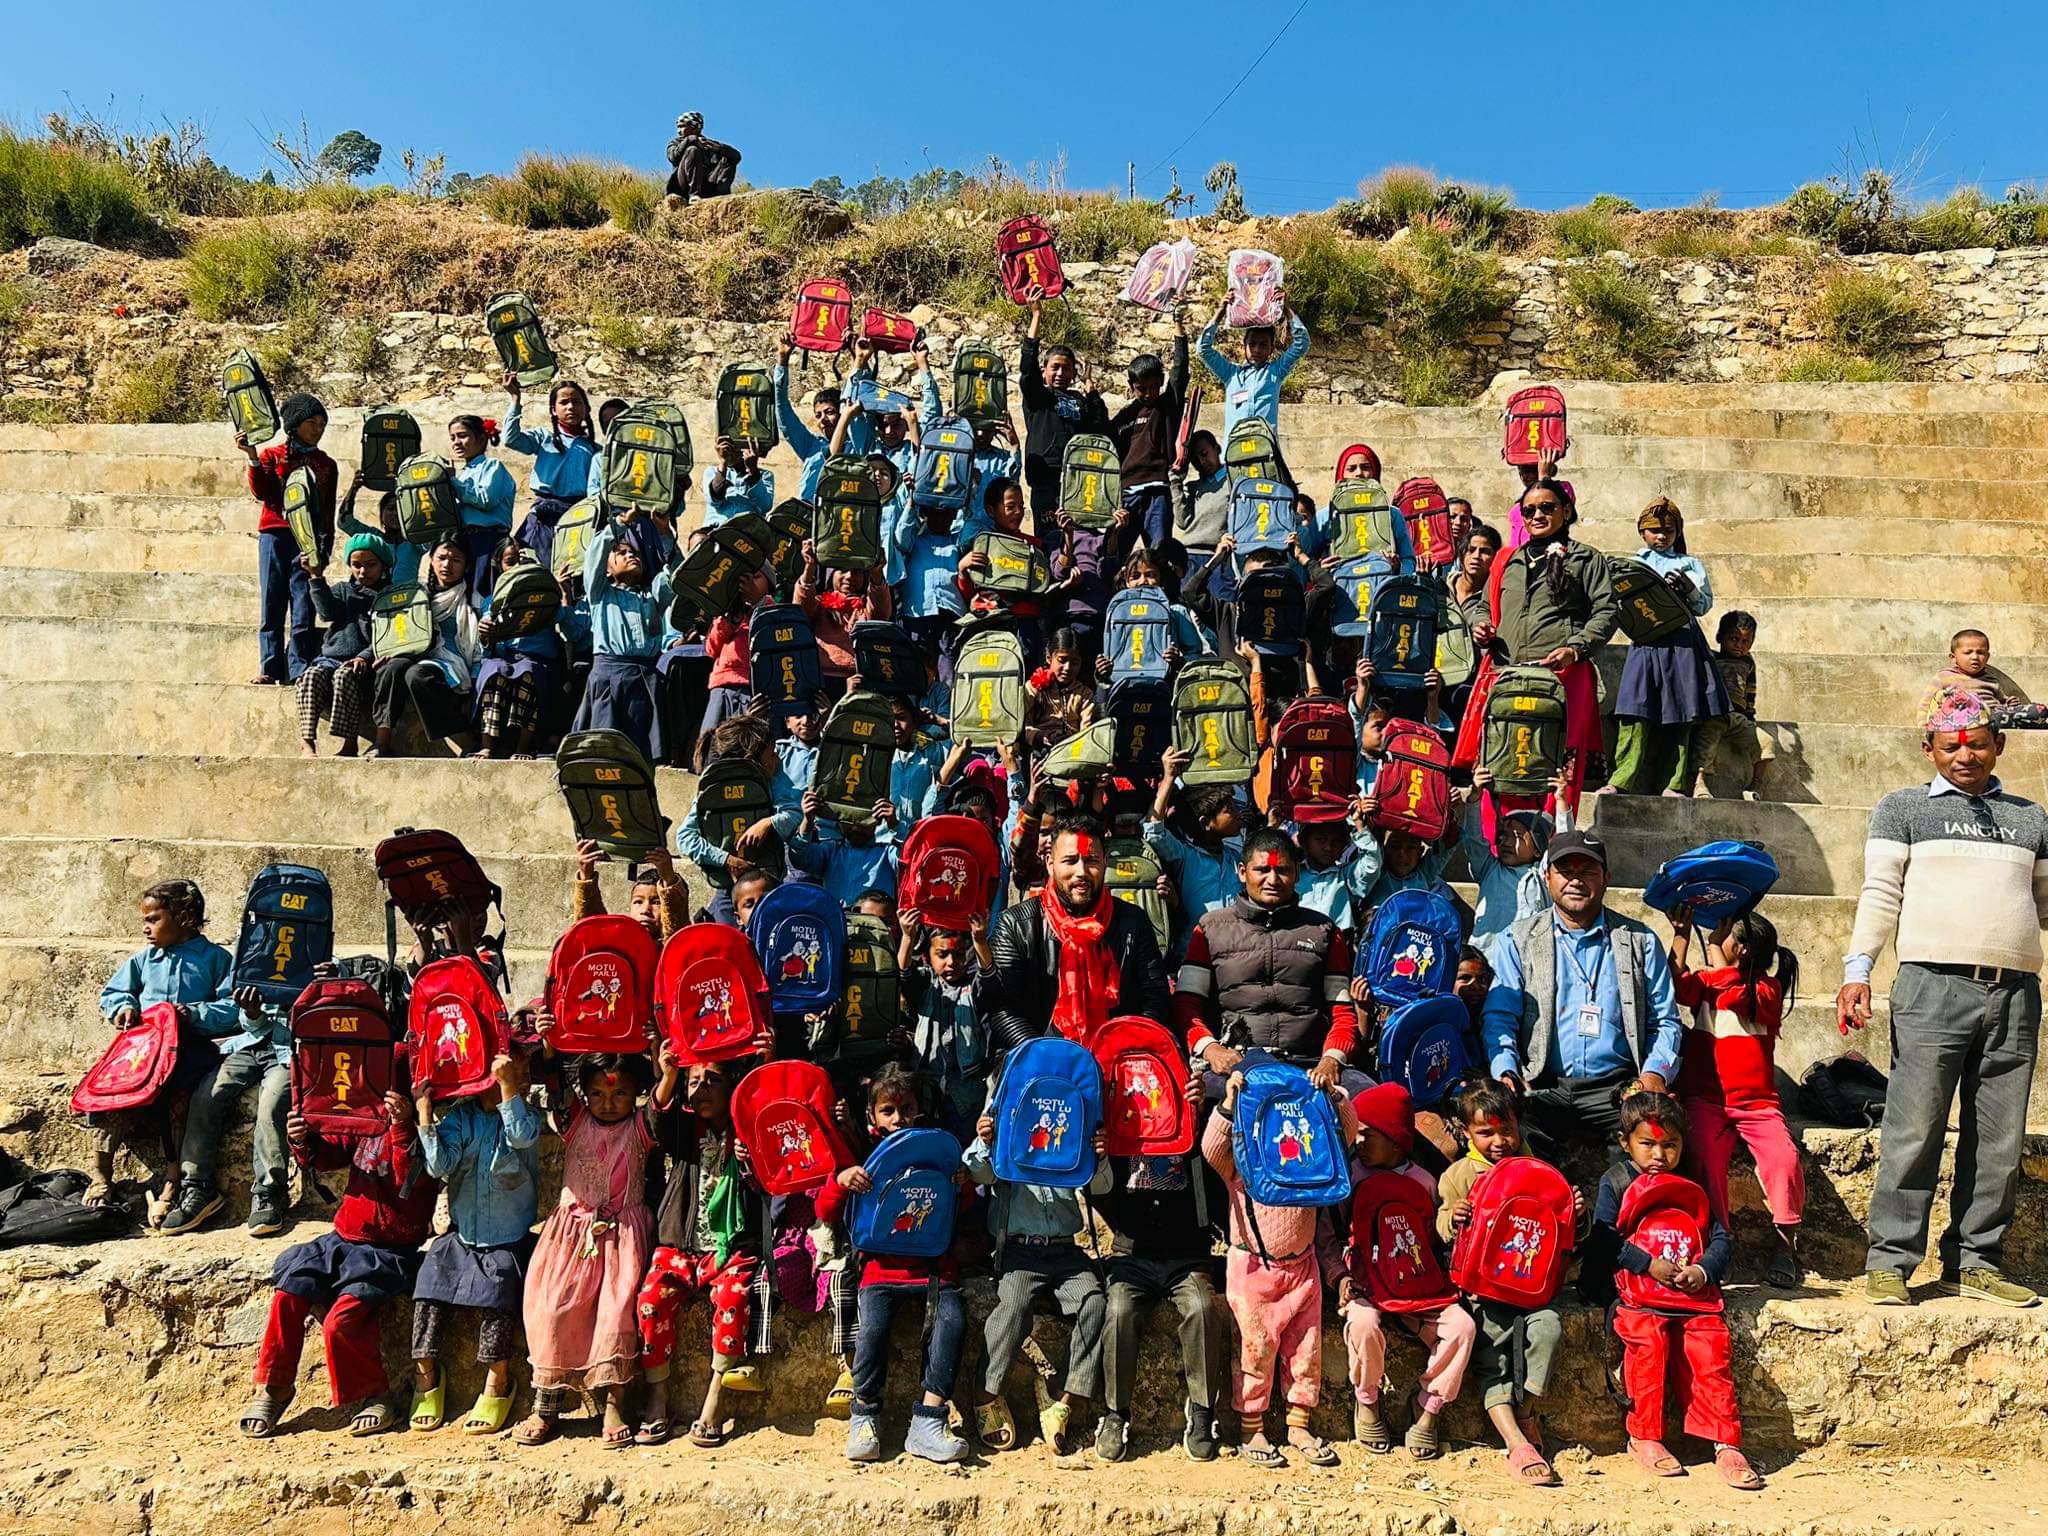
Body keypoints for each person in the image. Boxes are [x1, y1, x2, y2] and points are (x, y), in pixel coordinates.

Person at [1840, 688, 2048, 1308]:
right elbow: (1880, 893)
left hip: (2014, 994)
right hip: (1933, 986)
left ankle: (1976, 1261)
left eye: (1978, 743)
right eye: (1951, 745)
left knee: (2001, 1138)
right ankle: (1891, 1262)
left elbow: (2045, 901)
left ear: (1999, 746)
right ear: (1929, 749)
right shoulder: (1902, 809)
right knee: (1915, 1127)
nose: (1965, 755)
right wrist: (1858, 970)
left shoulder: (2031, 816)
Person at [238, 1087, 438, 1438]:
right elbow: (329, 1154)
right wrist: (304, 1139)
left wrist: (403, 1123)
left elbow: (411, 1176)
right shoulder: (365, 1116)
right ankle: (273, 1386)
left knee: (340, 1321)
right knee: (288, 1294)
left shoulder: (425, 1129)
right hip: (342, 1240)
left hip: (390, 1251)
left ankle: (373, 1395)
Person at [1589, 1091, 1762, 1490]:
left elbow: (1720, 1238)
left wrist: (1703, 1270)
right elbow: (1602, 1240)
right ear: (1624, 1143)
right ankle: (1645, 1436)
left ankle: (1725, 1441)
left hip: (1691, 1297)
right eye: (1647, 1144)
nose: (1659, 1155)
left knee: (1710, 1351)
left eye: (1671, 1145)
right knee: (1648, 1347)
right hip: (1636, 1295)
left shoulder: (1691, 1184)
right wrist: (1647, 1263)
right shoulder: (1615, 1182)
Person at [1482, 829, 1682, 1151]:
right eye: (1565, 871)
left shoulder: (1640, 941)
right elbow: (1500, 1015)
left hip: (1618, 1087)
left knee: (1651, 1150)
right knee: (1513, 1151)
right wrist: (1506, 1069)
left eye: (1587, 871)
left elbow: (1664, 1020)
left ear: (1606, 878)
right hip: (1541, 1084)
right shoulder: (1516, 940)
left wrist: (1655, 1073)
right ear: (1547, 877)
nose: (1576, 880)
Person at [814, 1063, 972, 1464]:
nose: (898, 1118)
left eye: (906, 1108)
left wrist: (961, 1183)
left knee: (951, 1322)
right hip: (880, 1269)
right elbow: (825, 1209)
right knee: (873, 1330)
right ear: (872, 1115)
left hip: (934, 1269)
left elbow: (962, 1209)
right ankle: (864, 1415)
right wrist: (841, 1180)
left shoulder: (939, 1151)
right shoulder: (860, 1154)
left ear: (919, 1109)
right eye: (888, 1110)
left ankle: (929, 1421)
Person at [1206, 1066, 1356, 1469]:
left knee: (1305, 1350)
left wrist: (1332, 1097)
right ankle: (1251, 1427)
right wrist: (1227, 1105)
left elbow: (1345, 1135)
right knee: (1253, 1351)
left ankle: (1299, 1424)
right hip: (1253, 1268)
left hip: (1302, 1266)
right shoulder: (1242, 1163)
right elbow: (1211, 1149)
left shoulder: (1307, 1161)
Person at [1435, 1079, 1577, 1485]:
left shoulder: (1541, 1170)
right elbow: (1442, 1226)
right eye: (1486, 1132)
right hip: (1483, 1289)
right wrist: (1454, 1218)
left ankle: (1526, 1411)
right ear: (1465, 1133)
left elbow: (1564, 1234)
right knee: (1491, 1358)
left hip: (1532, 1287)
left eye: (1507, 1130)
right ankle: (1515, 1441)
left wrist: (1575, 1213)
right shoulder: (1459, 1175)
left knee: (1548, 1330)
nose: (1499, 1141)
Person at [517, 1052, 658, 1447]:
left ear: (636, 1095)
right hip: (570, 1237)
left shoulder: (641, 1127)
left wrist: (664, 1061)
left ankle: (613, 1405)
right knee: (552, 1309)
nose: (607, 1102)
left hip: (621, 1238)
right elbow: (558, 1088)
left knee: (616, 1316)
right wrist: (547, 1047)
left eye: (619, 1094)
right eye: (596, 1093)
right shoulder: (574, 1120)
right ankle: (546, 1405)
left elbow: (662, 1102)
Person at [1326, 1083, 1475, 1458]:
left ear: (1395, 1139)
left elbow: (1430, 1240)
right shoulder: (1348, 1179)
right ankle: (1368, 1399)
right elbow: (1327, 1237)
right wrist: (1339, 1277)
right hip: (1364, 1281)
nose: (1357, 1141)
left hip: (1419, 1285)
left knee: (1462, 1327)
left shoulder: (1425, 1183)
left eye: (1367, 1134)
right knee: (1362, 1324)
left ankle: (1428, 1406)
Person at [83, 880, 240, 1217]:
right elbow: (114, 992)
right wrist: (124, 1007)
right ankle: (100, 1172)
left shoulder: (215, 959)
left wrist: (197, 1014)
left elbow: (232, 1008)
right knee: (109, 1091)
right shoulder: (144, 961)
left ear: (184, 917)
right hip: (143, 1047)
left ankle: (173, 1177)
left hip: (189, 1045)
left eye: (154, 919)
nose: (146, 928)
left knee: (180, 1094)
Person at [1456, 479, 1616, 807]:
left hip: (1563, 679)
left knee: (1556, 771)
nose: (1537, 515)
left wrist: (1576, 648)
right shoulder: (1506, 562)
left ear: (1566, 511)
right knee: (1503, 761)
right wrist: (1480, 625)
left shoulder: (1587, 560)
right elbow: (1482, 605)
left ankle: (1553, 845)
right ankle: (1502, 849)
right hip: (1508, 677)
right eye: (1529, 510)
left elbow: (1607, 610)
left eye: (1547, 507)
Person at [636, 1051, 768, 1449]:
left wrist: (749, 1162)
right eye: (694, 1082)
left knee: (733, 1297)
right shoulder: (684, 1131)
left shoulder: (749, 1129)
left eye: (712, 1080)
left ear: (731, 1087)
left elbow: (769, 1182)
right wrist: (669, 1072)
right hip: (681, 1245)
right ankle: (658, 1396)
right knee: (650, 1300)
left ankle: (715, 1396)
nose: (701, 1088)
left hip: (729, 1251)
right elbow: (655, 1118)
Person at [964, 1100, 1111, 1456]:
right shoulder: (1008, 1137)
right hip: (1018, 1252)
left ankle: (1062, 1397)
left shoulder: (1069, 1139)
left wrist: (1100, 1155)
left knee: (1094, 1302)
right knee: (1012, 1305)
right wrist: (986, 1139)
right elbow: (978, 1172)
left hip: (1065, 1252)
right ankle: (985, 1392)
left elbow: (1102, 1186)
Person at [1094, 1066, 1225, 1462]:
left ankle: (1202, 1410)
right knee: (1117, 1311)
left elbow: (1218, 1171)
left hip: (1187, 1254)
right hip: (1132, 1253)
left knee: (1202, 1308)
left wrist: (1201, 1116)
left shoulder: (1195, 1129)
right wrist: (1098, 1153)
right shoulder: (1122, 1129)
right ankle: (1115, 1413)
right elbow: (1099, 1193)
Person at [1669, 906, 1805, 1288]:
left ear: (1742, 950)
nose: (1717, 936)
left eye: (1725, 933)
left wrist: (1714, 956)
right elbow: (1678, 986)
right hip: (1706, 1099)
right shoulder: (1710, 981)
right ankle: (1719, 1241)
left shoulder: (1765, 990)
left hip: (1757, 1105)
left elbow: (1733, 997)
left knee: (1784, 1160)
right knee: (1705, 1156)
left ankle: (1786, 1239)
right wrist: (1681, 935)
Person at [411, 1049, 540, 1435]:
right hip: (462, 1235)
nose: (523, 1077)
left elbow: (520, 1135)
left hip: (508, 1238)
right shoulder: (461, 1117)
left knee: (498, 1292)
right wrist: (424, 1111)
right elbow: (438, 1165)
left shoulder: (526, 1115)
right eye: (515, 1071)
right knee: (428, 1286)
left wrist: (507, 1090)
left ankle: (497, 1382)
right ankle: (425, 1377)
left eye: (522, 1072)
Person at [1175, 829, 1362, 1091]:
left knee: (1378, 1102)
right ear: (1242, 872)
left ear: (1297, 873)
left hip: (1311, 1065)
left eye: (1283, 870)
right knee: (1195, 1101)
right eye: (1262, 870)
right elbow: (1186, 1006)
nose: (1272, 879)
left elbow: (1342, 1012)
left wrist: (1332, 1059)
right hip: (1235, 1066)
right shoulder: (1208, 929)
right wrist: (1211, 1049)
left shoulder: (1326, 931)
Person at [984, 813, 1170, 1050]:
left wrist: (1124, 1049)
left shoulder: (1133, 920)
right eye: (1070, 861)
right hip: (1039, 1061)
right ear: (1050, 864)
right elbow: (1003, 1009)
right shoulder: (1016, 924)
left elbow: (1154, 998)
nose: (1081, 872)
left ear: (1105, 862)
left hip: (1120, 1057)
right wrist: (1047, 1056)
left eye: (1091, 860)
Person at [1609, 500, 1726, 797]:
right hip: (1646, 639)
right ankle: (1621, 778)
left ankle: (1674, 783)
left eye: (1668, 531)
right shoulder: (1633, 562)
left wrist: (1687, 587)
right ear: (1642, 532)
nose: (1661, 537)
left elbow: (1703, 605)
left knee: (1682, 713)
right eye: (1655, 531)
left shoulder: (1690, 564)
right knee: (1634, 710)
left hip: (1682, 642)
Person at [237, 391, 334, 686]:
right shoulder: (273, 456)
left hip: (307, 541)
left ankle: (299, 667)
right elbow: (263, 493)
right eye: (312, 423)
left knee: (303, 605)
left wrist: (323, 548)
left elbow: (327, 510)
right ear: (294, 424)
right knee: (272, 602)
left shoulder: (326, 465)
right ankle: (270, 667)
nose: (317, 430)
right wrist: (252, 457)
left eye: (322, 424)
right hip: (275, 535)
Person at [371, 534, 482, 758]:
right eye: (441, 558)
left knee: (417, 674)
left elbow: (480, 646)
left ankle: (465, 738)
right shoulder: (416, 594)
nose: (447, 565)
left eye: (456, 560)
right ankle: (382, 740)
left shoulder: (473, 598)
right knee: (392, 668)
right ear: (431, 560)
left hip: (450, 661)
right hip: (414, 652)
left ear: (466, 566)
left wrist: (476, 676)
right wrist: (384, 652)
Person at [575, 518, 675, 761]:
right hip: (609, 676)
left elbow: (675, 577)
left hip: (645, 679)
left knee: (640, 754)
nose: (632, 556)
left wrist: (665, 537)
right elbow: (595, 557)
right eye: (621, 553)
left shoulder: (652, 595)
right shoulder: (600, 594)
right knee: (603, 749)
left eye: (635, 553)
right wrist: (619, 524)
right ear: (607, 569)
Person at [897, 913, 993, 1144]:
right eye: (942, 955)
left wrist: (979, 940)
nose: (951, 962)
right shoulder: (925, 985)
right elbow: (903, 975)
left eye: (959, 955)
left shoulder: (975, 988)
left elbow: (990, 976)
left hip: (966, 1092)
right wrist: (908, 937)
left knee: (961, 1147)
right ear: (928, 957)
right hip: (926, 1086)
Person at [298, 533, 392, 757]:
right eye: (356, 565)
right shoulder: (343, 590)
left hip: (363, 662)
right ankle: (307, 742)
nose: (363, 572)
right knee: (311, 676)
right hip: (330, 657)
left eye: (371, 565)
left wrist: (364, 656)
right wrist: (316, 577)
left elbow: (387, 635)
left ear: (383, 566)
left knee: (344, 677)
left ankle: (350, 742)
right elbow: (326, 612)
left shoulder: (390, 596)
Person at [1018, 300, 1109, 514]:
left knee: (1078, 538)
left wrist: (1090, 387)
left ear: (1073, 373)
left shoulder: (1079, 399)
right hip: (1045, 476)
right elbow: (1027, 367)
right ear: (1044, 371)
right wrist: (1036, 316)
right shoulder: (1039, 396)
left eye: (1066, 369)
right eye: (1055, 368)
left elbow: (1100, 425)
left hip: (1077, 477)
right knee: (1048, 539)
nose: (1060, 374)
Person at [473, 541, 561, 760]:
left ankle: (523, 746)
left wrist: (563, 596)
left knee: (528, 672)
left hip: (536, 660)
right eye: (511, 562)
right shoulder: (492, 601)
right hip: (504, 658)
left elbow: (563, 622)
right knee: (493, 670)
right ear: (500, 566)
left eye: (524, 561)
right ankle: (487, 744)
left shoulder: (548, 596)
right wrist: (486, 634)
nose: (518, 567)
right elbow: (487, 640)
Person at [1109, 316, 1190, 547]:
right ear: (1131, 386)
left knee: (1159, 553)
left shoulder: (1167, 406)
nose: (1148, 393)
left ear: (1161, 382)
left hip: (1158, 493)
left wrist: (1179, 328)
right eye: (1141, 389)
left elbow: (1180, 371)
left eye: (1154, 387)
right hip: (1126, 496)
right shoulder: (1123, 418)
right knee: (1116, 553)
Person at [503, 377, 599, 570]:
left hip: (579, 516)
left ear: (586, 409)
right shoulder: (544, 438)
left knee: (570, 570)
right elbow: (511, 439)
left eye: (577, 402)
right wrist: (515, 398)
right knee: (529, 567)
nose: (570, 407)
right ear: (554, 410)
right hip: (543, 516)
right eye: (564, 402)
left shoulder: (596, 450)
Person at [1198, 300, 1310, 443]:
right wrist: (1220, 312)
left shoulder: (1275, 372)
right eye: (1252, 344)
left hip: (1266, 455)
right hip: (1234, 455)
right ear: (1244, 346)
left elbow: (1302, 343)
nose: (1256, 350)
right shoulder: (1230, 374)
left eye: (1263, 345)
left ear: (1271, 349)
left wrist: (1286, 308)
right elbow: (1203, 349)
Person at [1690, 611, 1774, 799]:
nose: (1739, 646)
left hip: (1738, 718)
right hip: (1715, 714)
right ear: (1720, 637)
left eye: (1746, 642)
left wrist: (1750, 716)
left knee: (1767, 743)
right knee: (1707, 739)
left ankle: (1755, 785)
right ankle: (1699, 781)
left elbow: (1750, 692)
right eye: (1734, 639)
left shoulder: (1748, 662)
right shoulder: (1711, 659)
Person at [772, 334, 844, 503]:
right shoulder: (811, 445)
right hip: (807, 516)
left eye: (830, 412)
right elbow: (783, 409)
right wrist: (783, 360)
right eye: (818, 415)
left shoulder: (857, 446)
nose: (823, 420)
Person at [449, 415, 517, 582]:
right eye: (453, 437)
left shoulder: (492, 466)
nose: (456, 442)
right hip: (466, 541)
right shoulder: (463, 474)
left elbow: (486, 499)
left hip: (488, 540)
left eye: (462, 436)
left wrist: (453, 482)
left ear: (481, 439)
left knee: (484, 590)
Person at [1936, 627, 2030, 708]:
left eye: (1980, 653)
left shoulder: (1990, 679)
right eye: (1968, 652)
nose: (1975, 657)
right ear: (1953, 658)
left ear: (1987, 657)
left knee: (2035, 711)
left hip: (1994, 716)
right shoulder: (1944, 677)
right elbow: (1926, 703)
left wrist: (2009, 703)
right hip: (1964, 717)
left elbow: (2002, 700)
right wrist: (1922, 724)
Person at [663, 111, 738, 204]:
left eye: (682, 126)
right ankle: (694, 195)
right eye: (678, 127)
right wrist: (691, 140)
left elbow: (736, 156)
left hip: (708, 186)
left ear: (694, 127)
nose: (679, 131)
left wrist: (720, 148)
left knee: (729, 157)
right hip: (683, 187)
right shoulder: (675, 143)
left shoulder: (709, 144)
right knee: (692, 150)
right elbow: (673, 157)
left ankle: (722, 195)